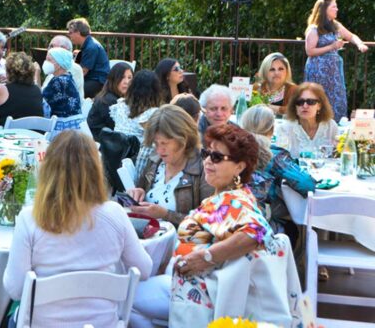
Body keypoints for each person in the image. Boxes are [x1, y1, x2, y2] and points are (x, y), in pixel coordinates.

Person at [131, 124, 279, 328]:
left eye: (217, 157)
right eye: (207, 153)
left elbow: (257, 232)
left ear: (240, 167)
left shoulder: (233, 200)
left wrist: (206, 258)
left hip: (197, 295)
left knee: (122, 296)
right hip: (189, 288)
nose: (208, 161)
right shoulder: (226, 195)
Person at [3, 131, 152, 327]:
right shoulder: (114, 213)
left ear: (49, 168)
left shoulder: (30, 218)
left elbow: (15, 288)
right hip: (101, 324)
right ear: (96, 169)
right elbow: (144, 269)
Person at [126, 105, 214, 226]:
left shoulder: (205, 168)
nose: (159, 150)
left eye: (164, 143)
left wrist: (166, 215)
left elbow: (209, 222)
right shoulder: (155, 160)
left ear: (184, 140)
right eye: (155, 143)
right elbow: (140, 190)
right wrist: (139, 192)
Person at [240, 104, 316, 239]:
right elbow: (306, 184)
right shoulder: (274, 156)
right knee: (293, 229)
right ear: (272, 130)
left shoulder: (231, 151)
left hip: (230, 216)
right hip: (261, 225)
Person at [304, 0, 368, 121]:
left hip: (333, 74)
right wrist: (332, 46)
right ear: (324, 10)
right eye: (334, 6)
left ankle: (336, 130)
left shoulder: (336, 25)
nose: (337, 9)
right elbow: (310, 51)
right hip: (318, 73)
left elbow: (351, 36)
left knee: (337, 99)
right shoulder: (314, 29)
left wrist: (360, 44)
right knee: (318, 99)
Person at [274, 82, 338, 159]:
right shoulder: (285, 128)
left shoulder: (330, 126)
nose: (305, 106)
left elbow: (337, 158)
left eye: (310, 102)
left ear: (319, 106)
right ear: (295, 106)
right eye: (300, 102)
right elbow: (280, 161)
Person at [0, 51, 43, 128]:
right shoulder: (36, 90)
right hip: (34, 136)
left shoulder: (2, 90)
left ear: (9, 71)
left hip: (7, 136)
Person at [109, 69, 161, 145]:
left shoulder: (119, 106)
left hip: (116, 150)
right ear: (156, 90)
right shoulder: (152, 114)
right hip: (136, 154)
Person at [87, 62, 133, 141]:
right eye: (122, 77)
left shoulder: (118, 97)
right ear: (114, 79)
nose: (126, 82)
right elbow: (121, 128)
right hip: (99, 144)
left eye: (129, 78)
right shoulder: (108, 101)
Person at [41, 47, 82, 133]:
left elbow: (40, 100)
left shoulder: (58, 81)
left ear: (59, 64)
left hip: (62, 128)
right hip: (74, 126)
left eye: (49, 60)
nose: (46, 62)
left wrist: (36, 76)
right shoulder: (68, 77)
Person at [67, 17, 109, 98]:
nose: (69, 35)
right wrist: (80, 53)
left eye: (70, 32)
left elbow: (82, 72)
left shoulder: (91, 47)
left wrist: (66, 79)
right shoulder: (89, 44)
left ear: (78, 33)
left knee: (71, 91)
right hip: (93, 79)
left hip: (98, 82)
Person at [40, 35, 85, 104]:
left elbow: (41, 99)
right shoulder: (56, 71)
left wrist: (36, 76)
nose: (50, 50)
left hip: (61, 114)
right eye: (50, 46)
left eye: (53, 47)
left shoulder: (73, 69)